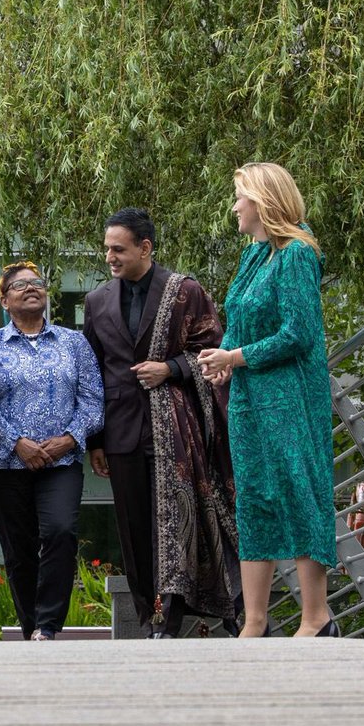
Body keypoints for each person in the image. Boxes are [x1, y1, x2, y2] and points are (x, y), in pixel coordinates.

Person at [83, 208, 241, 638]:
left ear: (145, 248)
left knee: (174, 522)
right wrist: (95, 440)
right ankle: (148, 619)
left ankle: (171, 619)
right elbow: (93, 373)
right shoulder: (96, 301)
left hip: (175, 427)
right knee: (133, 532)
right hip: (120, 432)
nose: (110, 257)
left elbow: (213, 350)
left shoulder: (185, 291)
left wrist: (169, 368)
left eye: (119, 249)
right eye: (107, 249)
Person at [198, 163, 337, 638]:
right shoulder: (256, 254)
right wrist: (223, 360)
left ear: (263, 201)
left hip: (290, 395)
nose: (234, 206)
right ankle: (254, 621)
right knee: (254, 496)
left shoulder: (297, 252)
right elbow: (238, 315)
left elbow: (298, 333)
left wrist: (236, 356)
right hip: (250, 397)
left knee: (299, 490)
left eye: (240, 197)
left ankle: (315, 617)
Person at [0, 261, 103, 640]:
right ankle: (31, 626)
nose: (32, 288)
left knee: (61, 532)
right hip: (5, 462)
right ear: (4, 300)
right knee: (19, 549)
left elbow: (94, 399)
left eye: (38, 282)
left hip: (61, 460)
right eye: (20, 285)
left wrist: (70, 437)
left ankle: (48, 626)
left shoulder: (73, 342)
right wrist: (16, 442)